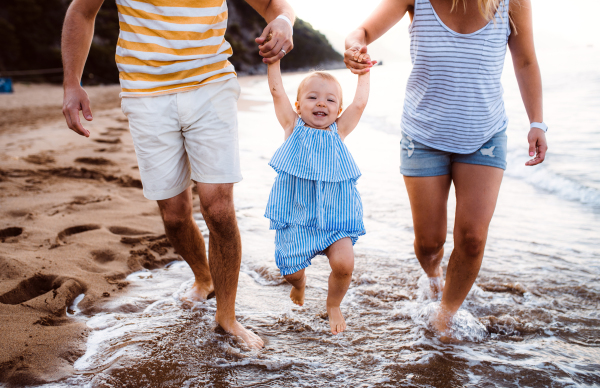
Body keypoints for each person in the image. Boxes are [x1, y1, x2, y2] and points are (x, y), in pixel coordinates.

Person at [61, 0, 296, 349]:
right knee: (174, 216)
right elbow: (81, 12)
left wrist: (283, 22)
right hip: (145, 93)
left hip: (211, 86)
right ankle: (204, 278)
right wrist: (72, 83)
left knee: (218, 209)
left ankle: (227, 318)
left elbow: (273, 5)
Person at [344, 0, 548, 339]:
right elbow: (362, 32)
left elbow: (525, 61)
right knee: (429, 243)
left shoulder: (512, 3)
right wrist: (353, 45)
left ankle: (446, 314)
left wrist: (537, 122)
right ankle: (435, 276)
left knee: (472, 239)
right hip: (422, 135)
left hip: (485, 134)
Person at [264, 54, 375, 334]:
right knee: (291, 272)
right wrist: (273, 61)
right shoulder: (292, 127)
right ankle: (301, 286)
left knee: (344, 263)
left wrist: (364, 73)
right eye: (313, 98)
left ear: (338, 110)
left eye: (330, 100)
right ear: (299, 106)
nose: (321, 103)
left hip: (336, 218)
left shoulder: (339, 131)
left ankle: (333, 304)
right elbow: (277, 92)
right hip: (298, 218)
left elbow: (360, 104)